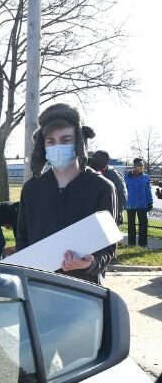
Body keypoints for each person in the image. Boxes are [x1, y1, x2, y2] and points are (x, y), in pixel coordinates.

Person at [17, 102, 117, 285]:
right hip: (38, 288)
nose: (57, 147)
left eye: (65, 140)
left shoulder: (102, 188)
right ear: (43, 146)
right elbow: (22, 238)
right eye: (50, 141)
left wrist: (89, 264)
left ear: (79, 142)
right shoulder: (31, 189)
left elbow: (108, 249)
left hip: (83, 293)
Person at [89, 150, 127, 225]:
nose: (92, 159)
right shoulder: (91, 173)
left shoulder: (113, 175)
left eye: (95, 157)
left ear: (104, 160)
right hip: (93, 216)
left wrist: (115, 213)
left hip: (109, 217)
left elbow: (122, 195)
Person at [124, 158, 153, 247]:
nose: (141, 167)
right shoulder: (126, 177)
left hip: (142, 205)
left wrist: (150, 202)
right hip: (130, 204)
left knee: (143, 224)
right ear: (134, 166)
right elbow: (124, 191)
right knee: (131, 224)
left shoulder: (146, 177)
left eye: (142, 165)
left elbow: (148, 190)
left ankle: (143, 244)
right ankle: (131, 244)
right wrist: (124, 202)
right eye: (139, 165)